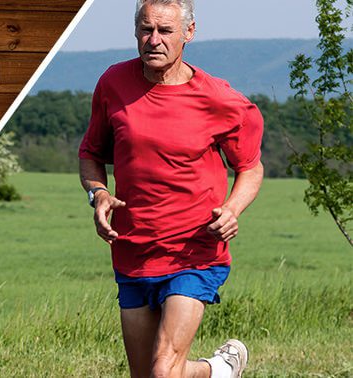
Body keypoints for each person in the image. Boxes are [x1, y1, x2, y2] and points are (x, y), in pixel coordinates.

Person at [78, 1, 264, 377]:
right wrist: (97, 194)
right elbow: (91, 154)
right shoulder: (114, 83)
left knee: (164, 370)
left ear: (188, 33)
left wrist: (232, 209)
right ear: (135, 31)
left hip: (194, 250)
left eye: (165, 31)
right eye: (146, 30)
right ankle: (219, 369)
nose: (154, 40)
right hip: (133, 249)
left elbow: (250, 167)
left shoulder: (219, 99)